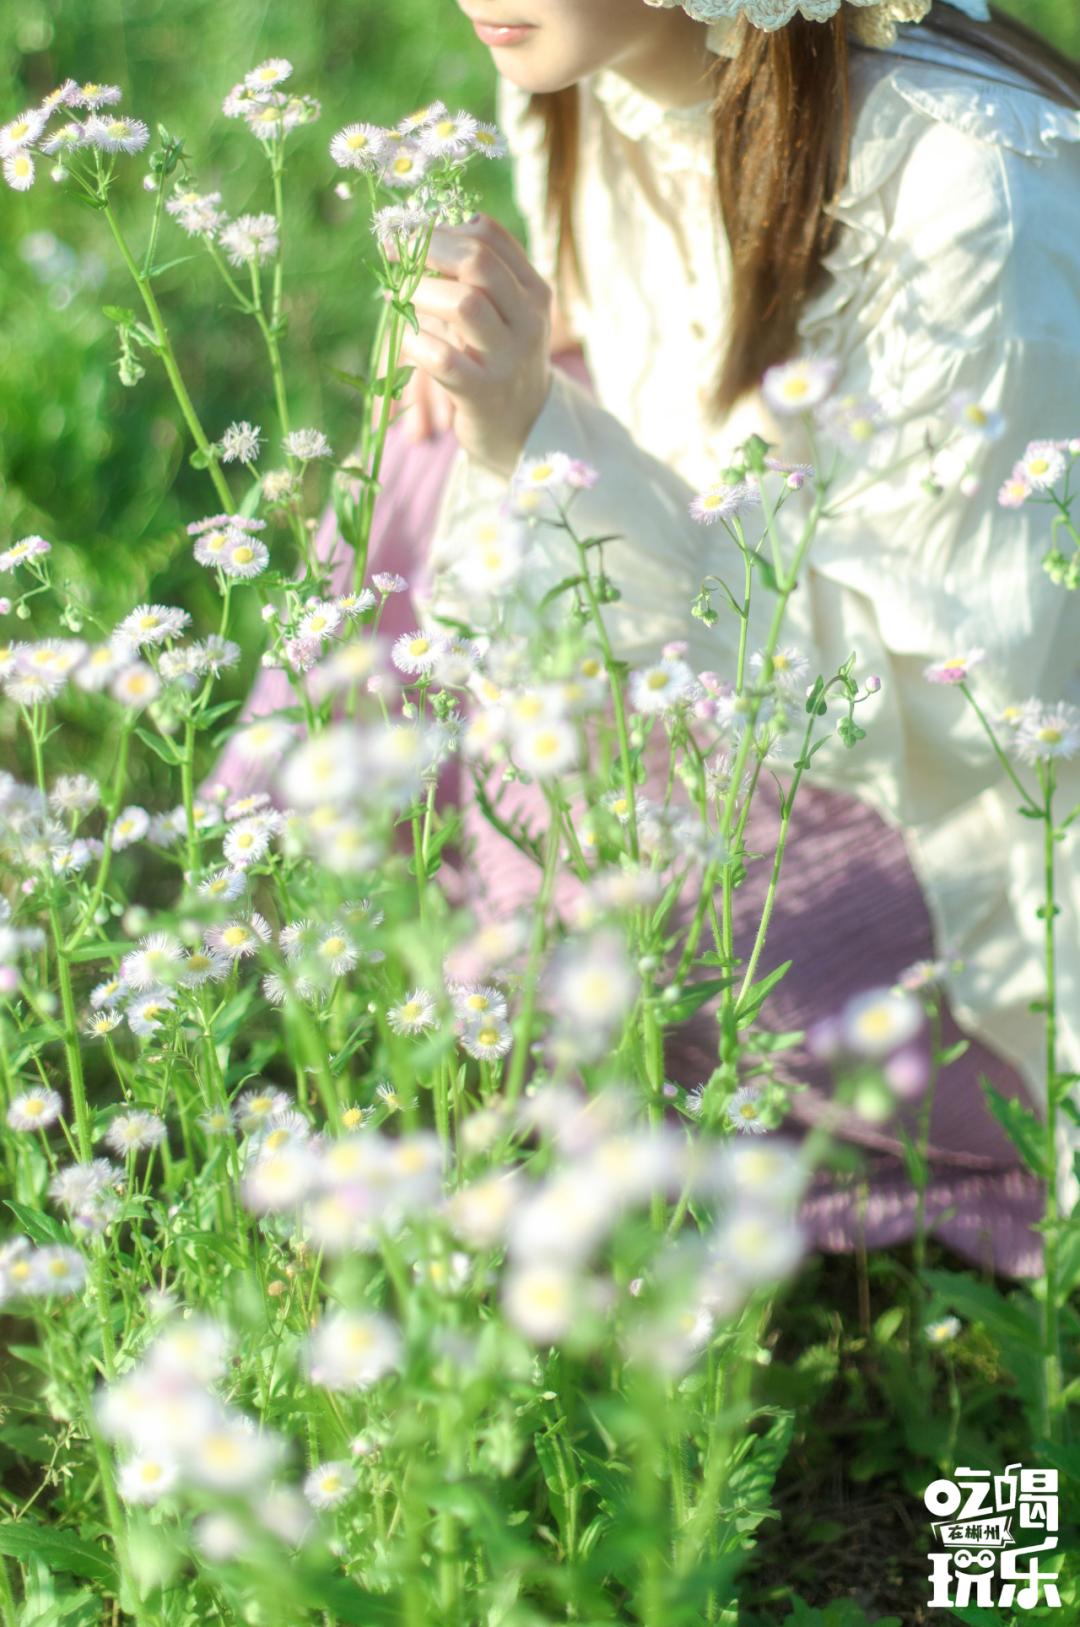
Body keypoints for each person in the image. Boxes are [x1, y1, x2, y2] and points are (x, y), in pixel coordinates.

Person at [215, 1, 1080, 1278]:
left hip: (972, 837)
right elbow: (649, 333)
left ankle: (512, 1041)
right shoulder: (586, 59)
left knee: (603, 886)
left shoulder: (971, 191)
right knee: (414, 463)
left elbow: (946, 708)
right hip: (739, 631)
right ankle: (296, 942)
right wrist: (514, 354)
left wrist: (546, 440)